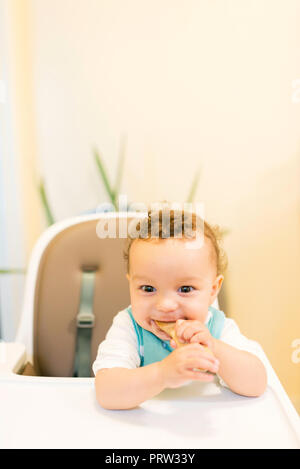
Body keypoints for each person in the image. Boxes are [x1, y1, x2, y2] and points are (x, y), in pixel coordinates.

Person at [93, 207, 268, 409]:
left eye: (185, 289)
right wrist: (162, 374)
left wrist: (214, 348)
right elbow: (106, 393)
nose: (165, 305)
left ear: (212, 290)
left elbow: (257, 384)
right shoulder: (130, 326)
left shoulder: (217, 329)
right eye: (148, 288)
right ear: (131, 285)